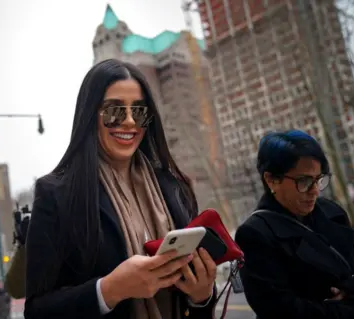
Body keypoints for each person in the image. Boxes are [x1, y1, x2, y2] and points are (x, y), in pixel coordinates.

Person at [24, 59, 217, 319]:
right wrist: (108, 290)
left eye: (139, 111)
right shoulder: (55, 195)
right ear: (90, 116)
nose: (128, 122)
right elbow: (37, 311)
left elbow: (198, 303)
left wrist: (202, 297)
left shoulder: (175, 186)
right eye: (114, 111)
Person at [235, 130, 354, 319]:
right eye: (304, 181)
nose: (314, 191)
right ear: (271, 180)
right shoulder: (255, 234)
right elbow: (281, 311)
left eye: (318, 179)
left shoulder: (332, 212)